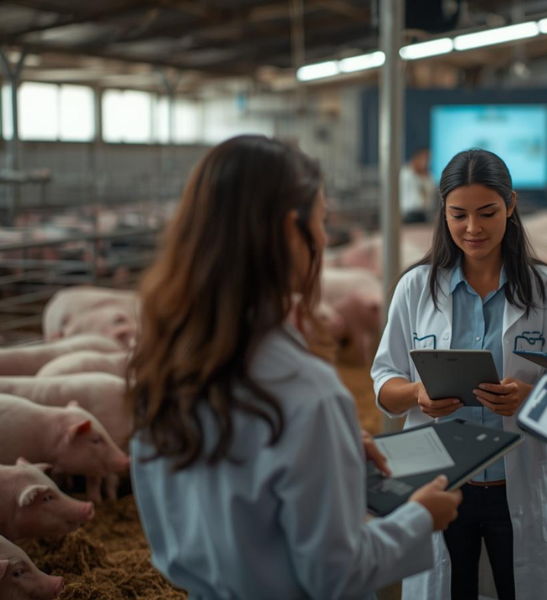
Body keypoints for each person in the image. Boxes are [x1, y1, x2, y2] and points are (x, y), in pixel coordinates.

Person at [126, 135, 462, 600]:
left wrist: (328, 450)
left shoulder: (162, 367)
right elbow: (335, 573)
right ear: (291, 230)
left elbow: (194, 518)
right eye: (322, 220)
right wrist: (419, 519)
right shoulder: (307, 393)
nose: (325, 239)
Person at [372, 148, 547, 599]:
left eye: (487, 212)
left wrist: (530, 400)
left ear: (511, 206)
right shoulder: (416, 288)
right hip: (442, 484)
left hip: (520, 482)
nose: (472, 228)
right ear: (443, 211)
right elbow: (384, 380)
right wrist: (417, 393)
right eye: (459, 215)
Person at [401, 146, 437, 223]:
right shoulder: (406, 173)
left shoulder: (428, 177)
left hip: (423, 214)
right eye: (423, 159)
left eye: (427, 159)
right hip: (408, 214)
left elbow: (431, 191)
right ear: (416, 158)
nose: (425, 162)